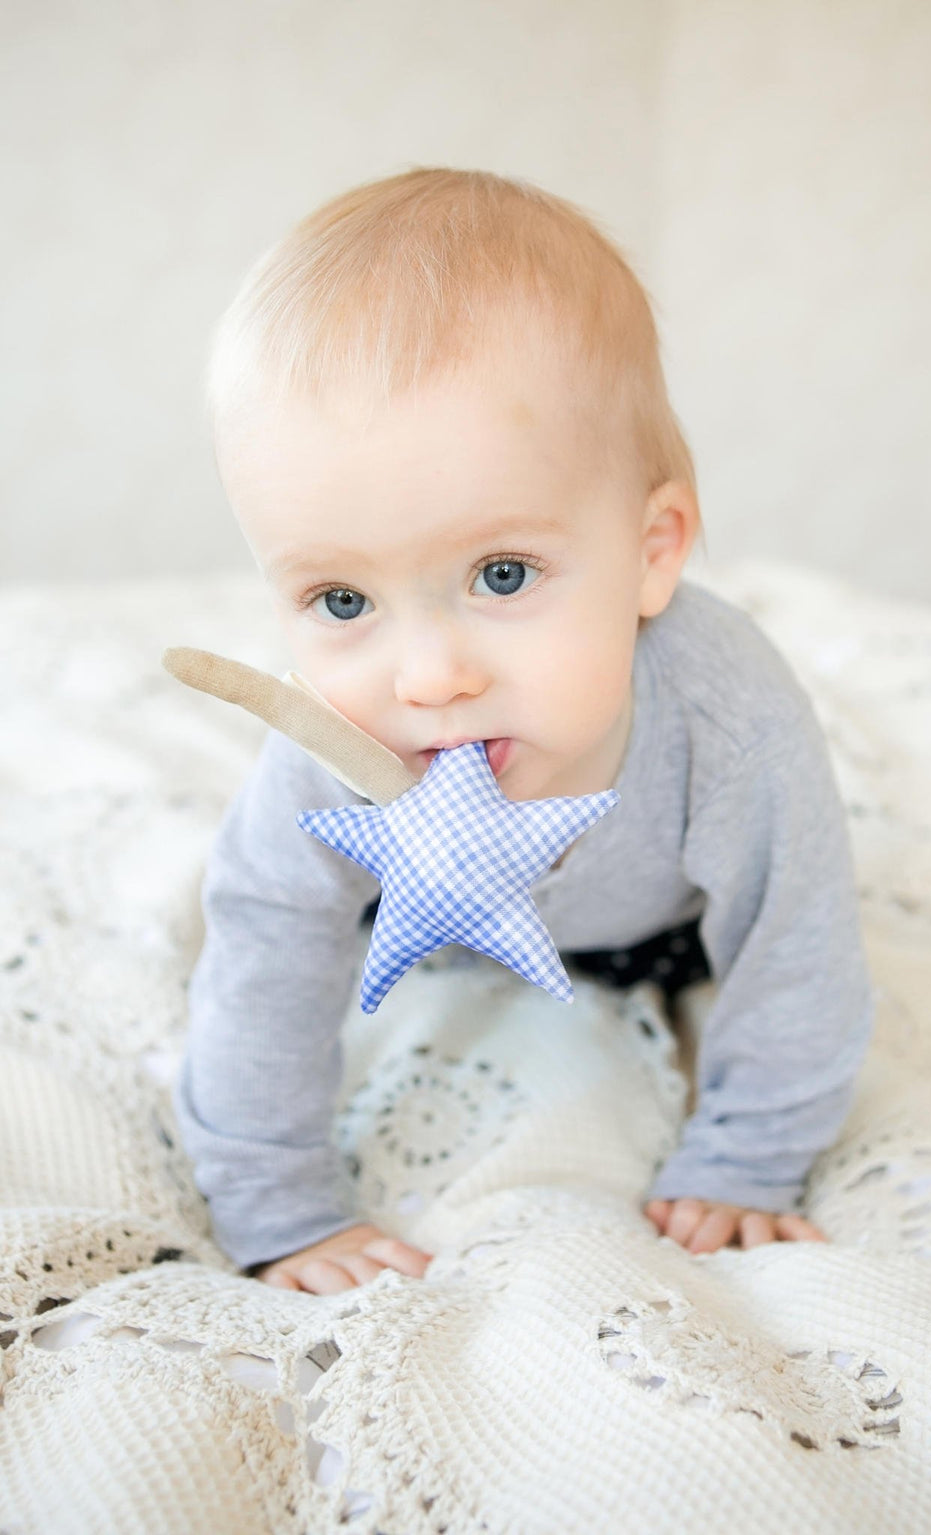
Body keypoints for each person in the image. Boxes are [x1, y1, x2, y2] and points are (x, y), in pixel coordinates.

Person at [174, 167, 873, 1295]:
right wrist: (277, 1206)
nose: (430, 676)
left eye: (501, 573)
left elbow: (798, 944)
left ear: (653, 550)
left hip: (655, 929)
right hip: (430, 928)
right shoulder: (327, 745)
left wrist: (749, 1158)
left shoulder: (724, 711)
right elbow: (266, 945)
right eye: (341, 601)